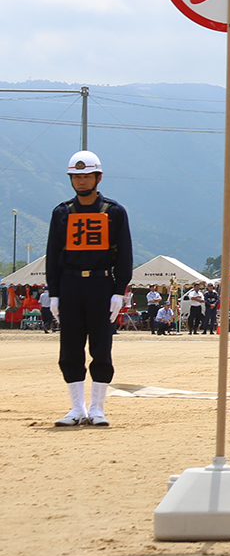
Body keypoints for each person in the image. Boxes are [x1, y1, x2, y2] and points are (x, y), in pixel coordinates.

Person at [46, 151, 132, 427]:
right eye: (76, 177)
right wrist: (54, 293)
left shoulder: (114, 212)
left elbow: (125, 254)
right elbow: (52, 255)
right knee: (70, 348)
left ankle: (97, 408)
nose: (81, 181)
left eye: (86, 176)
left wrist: (119, 290)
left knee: (101, 347)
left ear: (98, 177)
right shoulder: (61, 213)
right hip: (70, 285)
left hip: (101, 285)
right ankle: (76, 408)